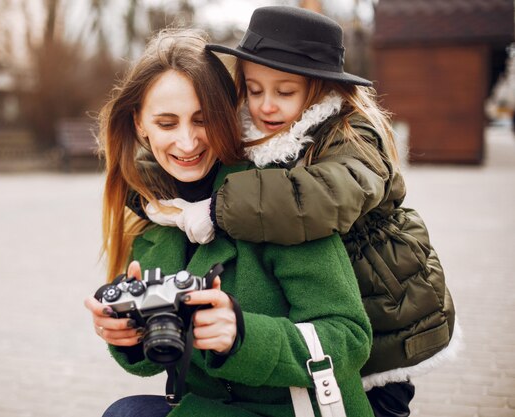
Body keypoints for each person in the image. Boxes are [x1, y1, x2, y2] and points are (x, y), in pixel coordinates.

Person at [144, 6, 461, 417]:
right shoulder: (265, 137)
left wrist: (219, 208)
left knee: (376, 399)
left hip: (384, 310)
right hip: (326, 304)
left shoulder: (353, 137)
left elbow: (322, 198)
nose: (266, 106)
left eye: (285, 92)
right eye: (254, 90)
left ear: (320, 90)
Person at [84, 28, 375, 417]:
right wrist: (128, 336)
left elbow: (350, 337)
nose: (187, 143)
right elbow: (157, 357)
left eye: (202, 120)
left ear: (226, 115)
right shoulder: (154, 216)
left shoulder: (277, 199)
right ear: (140, 124)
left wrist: (243, 336)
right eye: (167, 124)